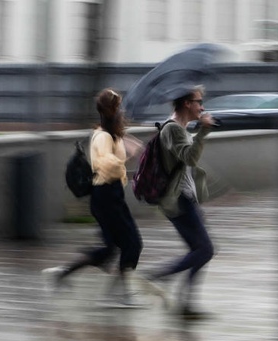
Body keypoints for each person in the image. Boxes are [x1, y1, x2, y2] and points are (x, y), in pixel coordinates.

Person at [43, 88, 144, 307]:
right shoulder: (102, 136)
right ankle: (118, 293)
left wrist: (127, 144)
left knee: (112, 249)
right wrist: (127, 160)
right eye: (119, 106)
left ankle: (63, 273)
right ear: (111, 110)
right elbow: (105, 165)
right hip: (106, 196)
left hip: (110, 195)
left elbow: (115, 154)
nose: (122, 110)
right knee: (133, 244)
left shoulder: (110, 134)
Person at [143, 85, 216, 319]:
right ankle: (158, 276)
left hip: (183, 198)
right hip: (177, 200)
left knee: (199, 250)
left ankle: (185, 304)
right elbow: (190, 157)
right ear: (187, 103)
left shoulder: (178, 128)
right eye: (199, 101)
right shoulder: (172, 129)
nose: (202, 106)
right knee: (205, 249)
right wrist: (203, 132)